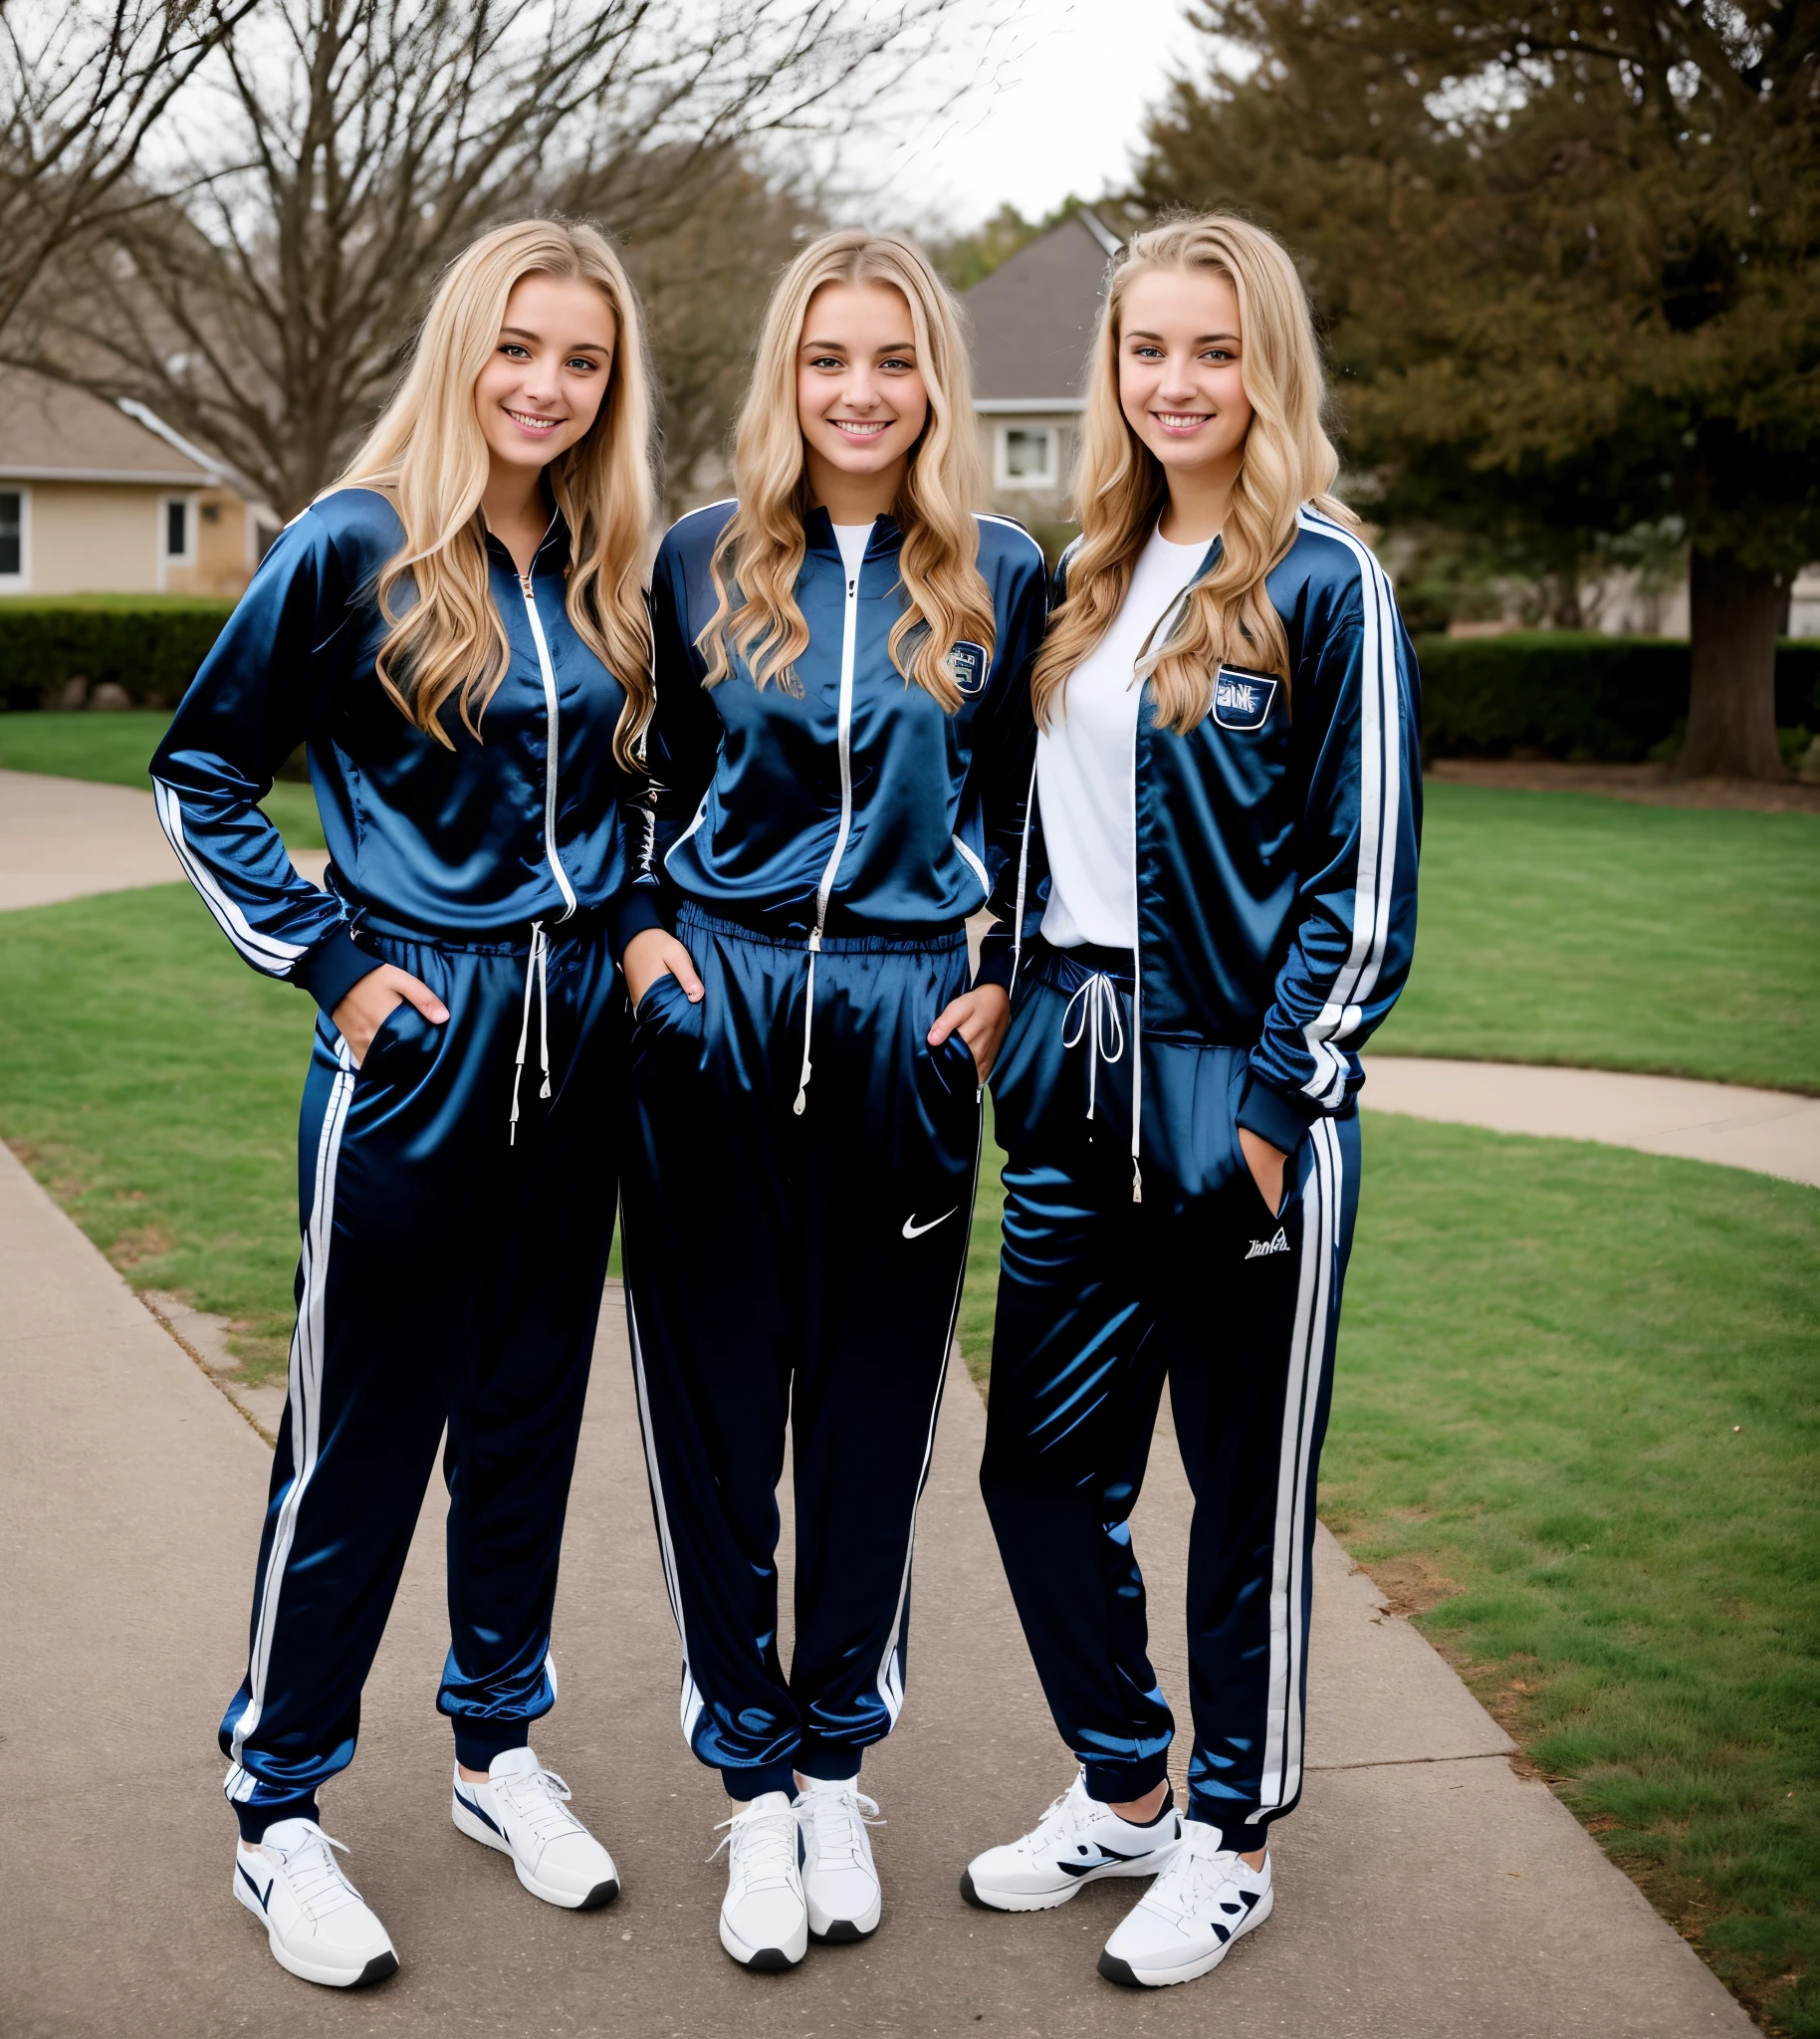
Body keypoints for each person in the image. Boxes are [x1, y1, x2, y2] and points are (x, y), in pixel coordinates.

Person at [149, 219, 658, 1989]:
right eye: (520, 346)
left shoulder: (612, 566)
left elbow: (644, 803)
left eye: (582, 360)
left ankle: (495, 1751)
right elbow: (203, 769)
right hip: (416, 1053)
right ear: (465, 349)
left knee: (525, 1424)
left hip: (580, 1054)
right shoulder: (353, 541)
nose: (546, 384)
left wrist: (636, 956)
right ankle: (277, 1803)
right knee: (361, 1441)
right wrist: (334, 961)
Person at [960, 213, 1422, 1989]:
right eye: (1150, 349)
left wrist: (1275, 1108)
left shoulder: (1324, 583)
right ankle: (1130, 1782)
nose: (1178, 381)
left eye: (1214, 351)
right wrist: (1005, 978)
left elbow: (1357, 886)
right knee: (1034, 1472)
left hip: (1242, 1096)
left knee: (1238, 1496)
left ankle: (1231, 1836)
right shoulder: (1087, 569)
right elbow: (1020, 815)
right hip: (1070, 1076)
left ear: (1266, 368)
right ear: (1116, 366)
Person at [615, 230, 1045, 1971]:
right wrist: (652, 955)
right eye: (826, 360)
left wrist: (991, 991)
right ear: (785, 378)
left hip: (902, 1031)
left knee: (870, 1425)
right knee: (718, 1424)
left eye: (891, 360)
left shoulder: (1008, 573)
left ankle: (835, 1769)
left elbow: (1030, 814)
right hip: (717, 1017)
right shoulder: (699, 562)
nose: (859, 392)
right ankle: (750, 1786)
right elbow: (634, 796)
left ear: (933, 378)